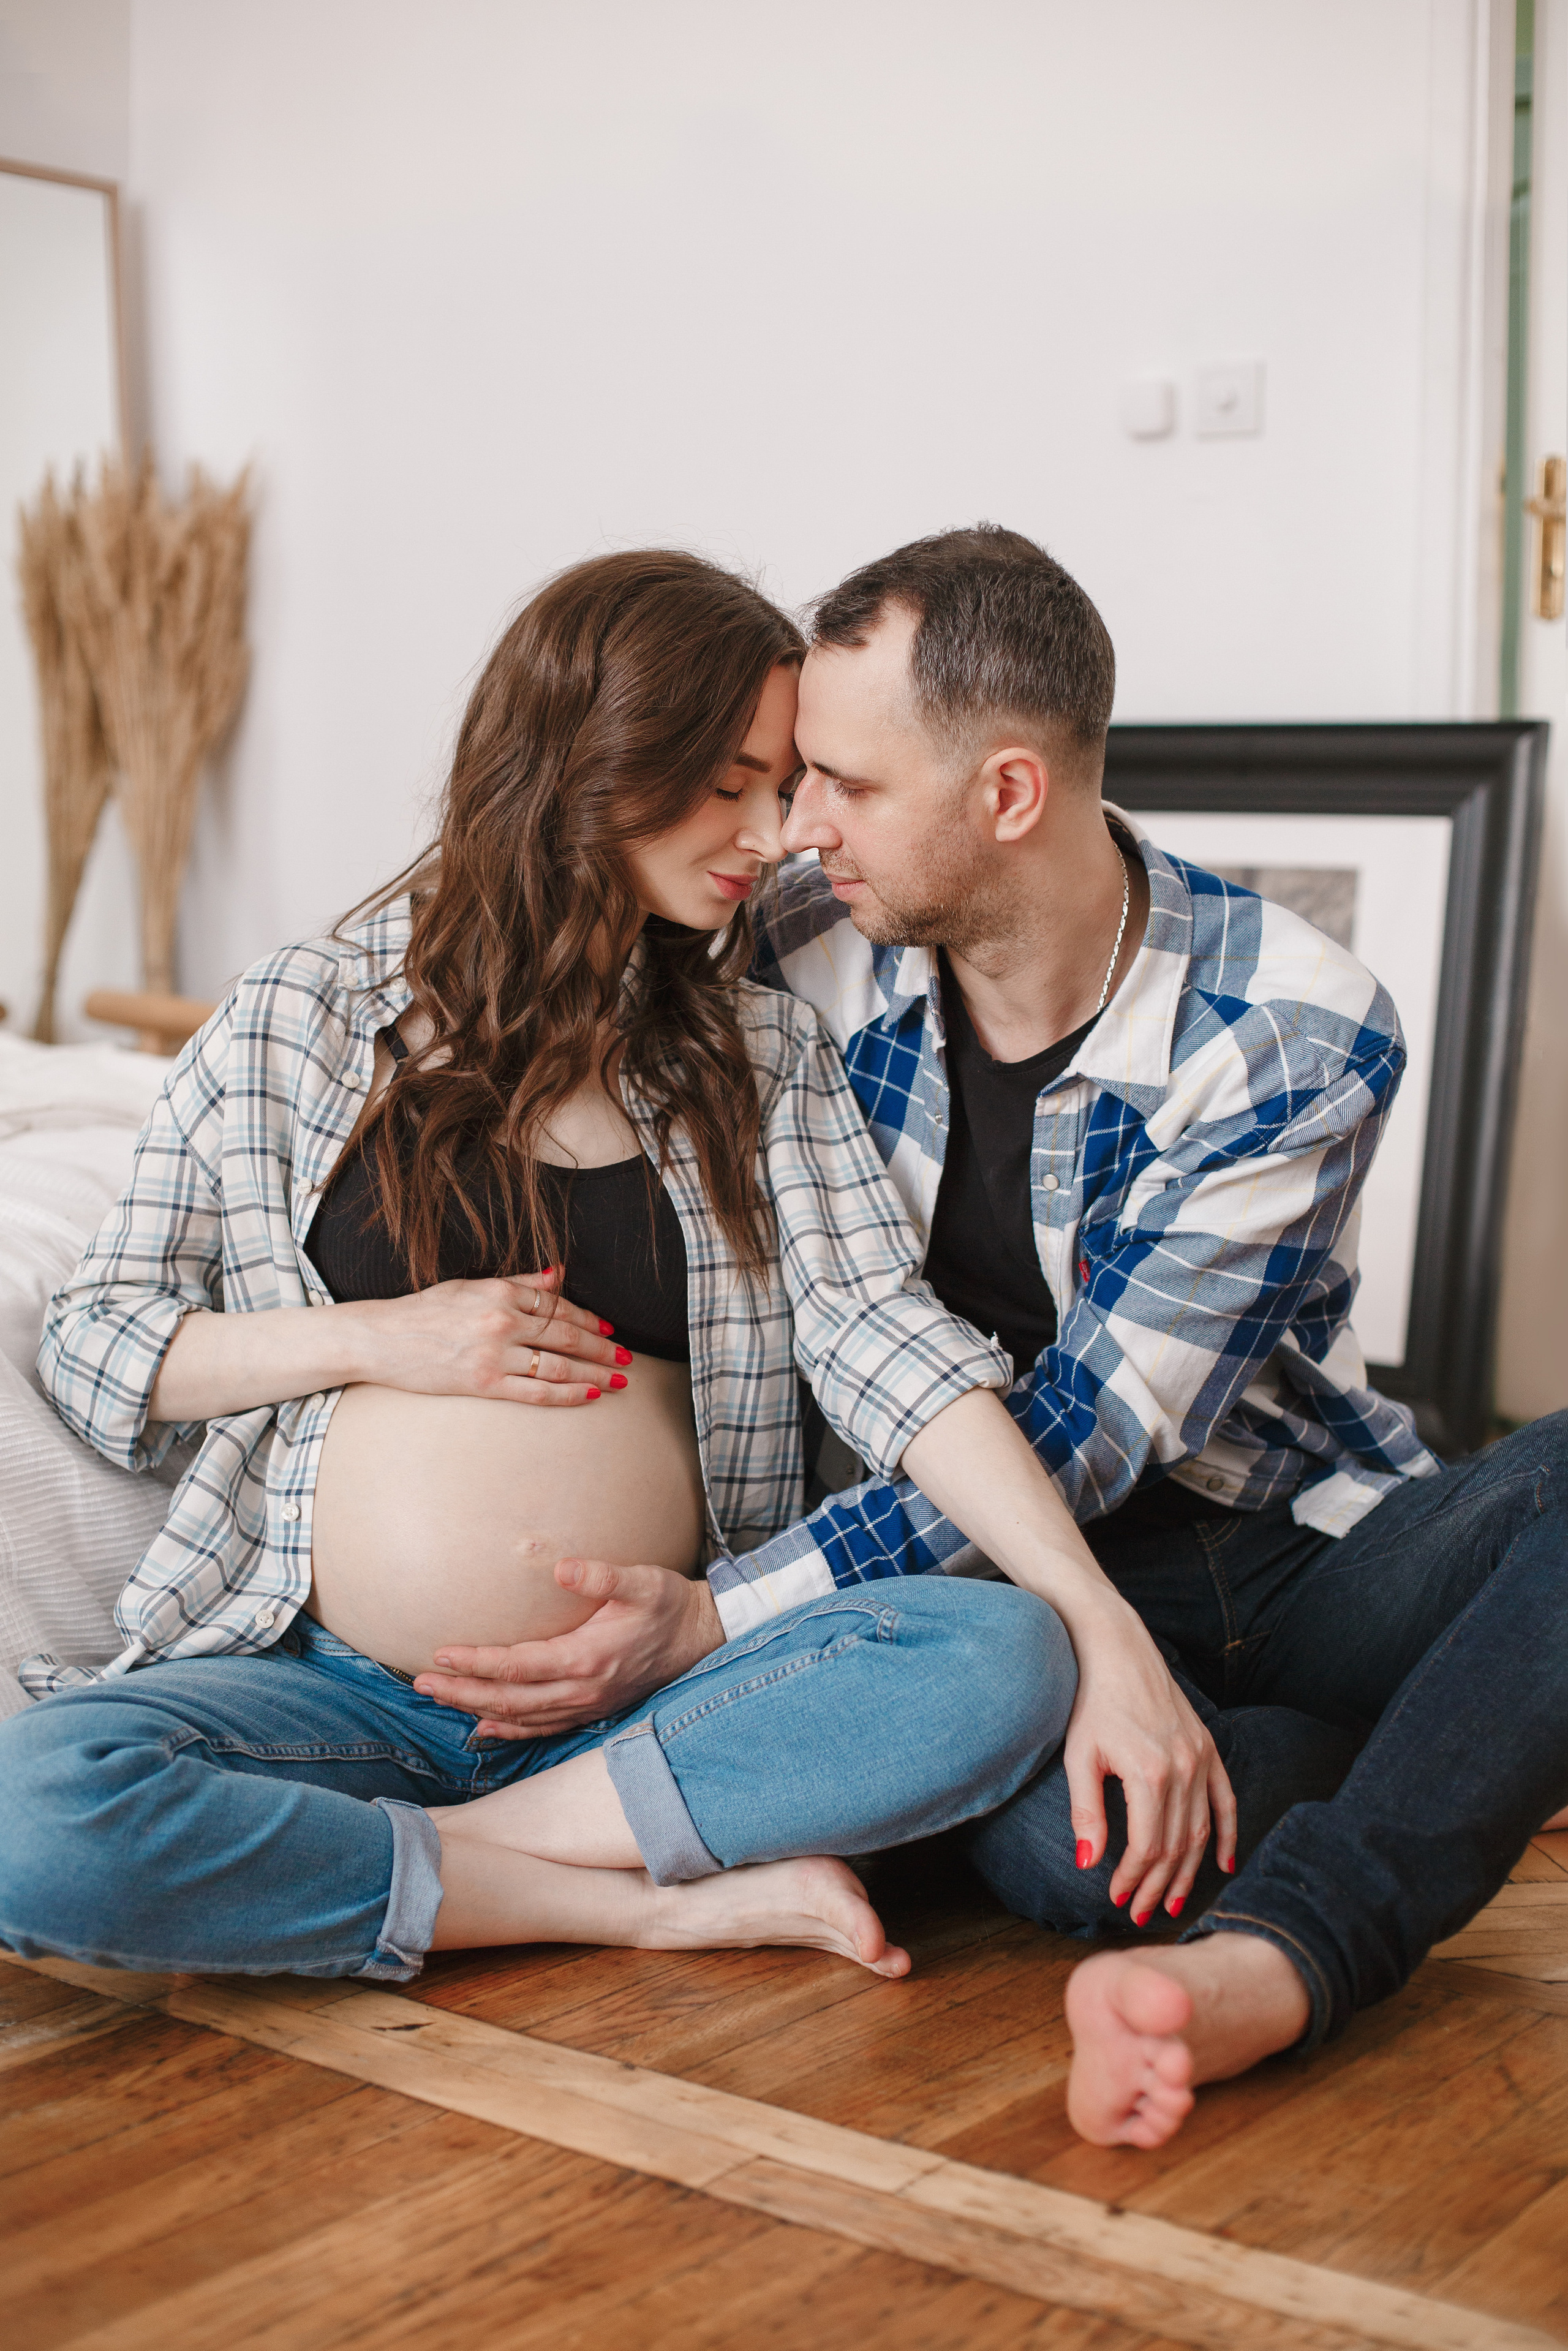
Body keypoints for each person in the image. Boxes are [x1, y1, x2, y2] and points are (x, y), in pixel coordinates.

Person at [453, 526, 1567, 2143]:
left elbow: (1094, 1428)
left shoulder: (1295, 1024)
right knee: (1083, 1857)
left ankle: (1297, 1945)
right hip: (991, 1610)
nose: (790, 821)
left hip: (1289, 1546)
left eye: (842, 781)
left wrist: (721, 1617)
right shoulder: (786, 942)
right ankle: (1449, 1748)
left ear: (1010, 795)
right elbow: (528, 966)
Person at [0, 546, 1224, 1988]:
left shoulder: (760, 1055)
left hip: (656, 1700)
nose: (771, 836)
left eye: (783, 790)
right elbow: (95, 1345)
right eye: (732, 784)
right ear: (590, 758)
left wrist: (1096, 1619)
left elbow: (887, 1346)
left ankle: (478, 1850)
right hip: (334, 1691)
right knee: (30, 1809)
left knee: (1000, 1655)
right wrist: (375, 1339)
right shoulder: (301, 1020)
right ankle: (608, 1895)